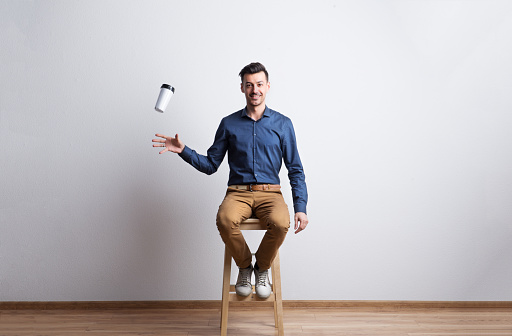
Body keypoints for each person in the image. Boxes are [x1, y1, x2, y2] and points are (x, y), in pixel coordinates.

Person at [152, 62, 309, 299]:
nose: (254, 90)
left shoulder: (283, 124)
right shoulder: (229, 123)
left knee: (280, 222)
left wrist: (301, 207)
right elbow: (210, 165)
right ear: (242, 88)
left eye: (258, 84)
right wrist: (183, 150)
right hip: (238, 193)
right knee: (225, 219)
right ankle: (245, 267)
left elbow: (295, 169)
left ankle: (262, 267)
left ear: (267, 86)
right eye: (249, 85)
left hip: (270, 194)